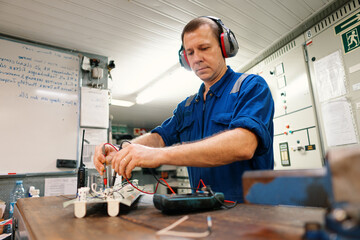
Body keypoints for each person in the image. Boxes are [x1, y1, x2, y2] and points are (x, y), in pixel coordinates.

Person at [94, 16, 274, 202]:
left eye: (204, 48)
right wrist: (122, 149)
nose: (196, 59)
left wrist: (158, 156)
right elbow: (159, 137)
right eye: (190, 52)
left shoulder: (250, 86)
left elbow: (243, 145)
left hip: (251, 212)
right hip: (205, 209)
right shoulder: (188, 107)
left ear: (224, 47)